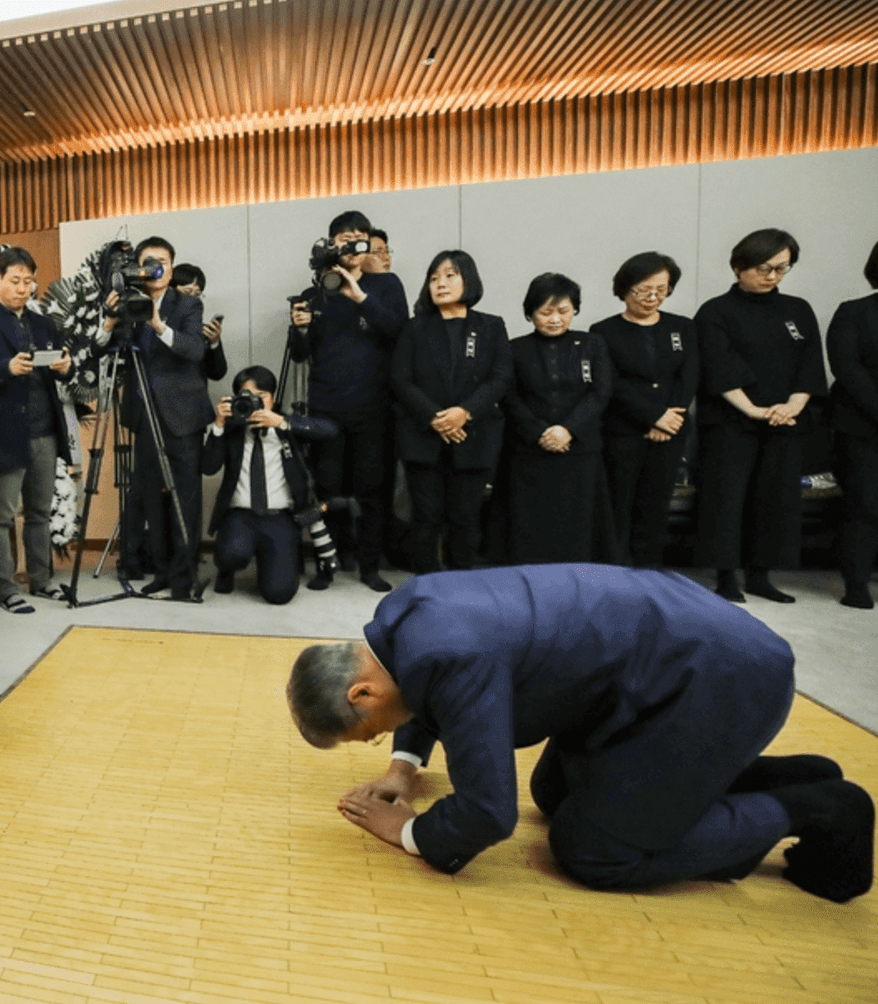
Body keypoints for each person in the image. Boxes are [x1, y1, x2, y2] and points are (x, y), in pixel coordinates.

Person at [287, 564, 873, 903]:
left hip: (717, 677)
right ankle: (789, 775)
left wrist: (410, 831)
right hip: (661, 668)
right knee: (557, 795)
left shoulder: (451, 651)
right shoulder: (403, 617)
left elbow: (489, 813)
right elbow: (423, 693)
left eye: (366, 734)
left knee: (594, 850)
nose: (373, 741)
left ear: (361, 693)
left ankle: (816, 805)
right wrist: (402, 771)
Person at [694, 229, 828, 603]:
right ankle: (725, 577)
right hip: (731, 420)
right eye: (764, 268)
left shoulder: (797, 310)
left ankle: (760, 575)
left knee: (776, 499)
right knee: (727, 499)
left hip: (785, 420)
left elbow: (810, 364)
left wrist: (793, 406)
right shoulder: (716, 311)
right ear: (739, 266)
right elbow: (718, 366)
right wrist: (753, 409)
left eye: (782, 268)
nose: (772, 276)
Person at [288, 210, 410, 592]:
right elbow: (299, 355)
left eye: (360, 236)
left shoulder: (387, 285)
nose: (353, 243)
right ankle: (328, 564)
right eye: (344, 236)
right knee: (326, 490)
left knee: (373, 491)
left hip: (374, 408)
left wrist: (360, 295)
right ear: (332, 244)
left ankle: (370, 567)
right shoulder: (315, 292)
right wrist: (300, 329)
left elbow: (399, 332)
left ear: (369, 243)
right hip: (326, 408)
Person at [0, 247, 73, 614]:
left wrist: (65, 367)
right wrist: (6, 367)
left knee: (40, 512)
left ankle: (42, 581)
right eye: (15, 281)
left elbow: (61, 365)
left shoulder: (44, 324)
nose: (23, 288)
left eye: (28, 281)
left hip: (44, 431)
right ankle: (6, 589)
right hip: (7, 431)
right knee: (1, 515)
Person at [101, 237, 212, 601]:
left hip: (182, 417)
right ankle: (162, 572)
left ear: (171, 264)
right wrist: (109, 319)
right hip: (144, 416)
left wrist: (158, 324)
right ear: (139, 265)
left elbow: (195, 349)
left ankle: (184, 581)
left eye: (162, 260)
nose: (155, 267)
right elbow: (99, 349)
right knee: (153, 500)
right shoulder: (128, 301)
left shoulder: (188, 304)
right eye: (148, 261)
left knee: (185, 500)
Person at [390, 251, 512, 574]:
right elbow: (400, 379)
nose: (440, 283)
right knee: (426, 516)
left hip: (473, 436)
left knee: (465, 517)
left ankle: (461, 583)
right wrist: (436, 417)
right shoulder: (415, 328)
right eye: (434, 278)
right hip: (423, 437)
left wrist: (464, 412)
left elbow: (501, 377)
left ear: (468, 280)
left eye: (450, 276)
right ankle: (427, 582)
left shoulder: (491, 326)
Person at [495, 273, 618, 564]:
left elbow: (600, 393)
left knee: (577, 519)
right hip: (528, 449)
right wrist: (541, 433)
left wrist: (567, 430)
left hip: (580, 447)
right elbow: (509, 397)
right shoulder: (515, 348)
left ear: (575, 310)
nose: (555, 319)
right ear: (530, 313)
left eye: (563, 311)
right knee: (531, 519)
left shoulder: (592, 344)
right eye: (545, 312)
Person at [591, 252, 699, 568]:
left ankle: (649, 570)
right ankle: (615, 569)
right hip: (623, 430)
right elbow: (611, 383)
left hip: (672, 428)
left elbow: (689, 375)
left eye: (661, 290)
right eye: (643, 290)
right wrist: (653, 416)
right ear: (624, 289)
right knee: (619, 503)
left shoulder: (683, 327)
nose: (652, 298)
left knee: (657, 502)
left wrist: (670, 417)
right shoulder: (603, 331)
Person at [202, 366, 337, 604]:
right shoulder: (233, 429)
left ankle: (270, 558)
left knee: (279, 594)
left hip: (279, 518)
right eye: (247, 396)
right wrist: (219, 424)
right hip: (239, 516)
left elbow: (330, 430)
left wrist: (283, 423)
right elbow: (209, 467)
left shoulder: (286, 427)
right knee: (232, 553)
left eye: (261, 396)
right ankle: (227, 567)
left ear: (272, 399)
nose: (254, 402)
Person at [829, 239, 878, 610]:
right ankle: (856, 582)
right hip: (861, 426)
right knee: (863, 504)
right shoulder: (854, 312)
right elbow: (847, 369)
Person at [173, 263, 228, 381]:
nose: (192, 300)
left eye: (197, 295)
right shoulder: (156, 325)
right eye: (187, 293)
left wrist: (214, 342)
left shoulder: (202, 331)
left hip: (194, 397)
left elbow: (217, 373)